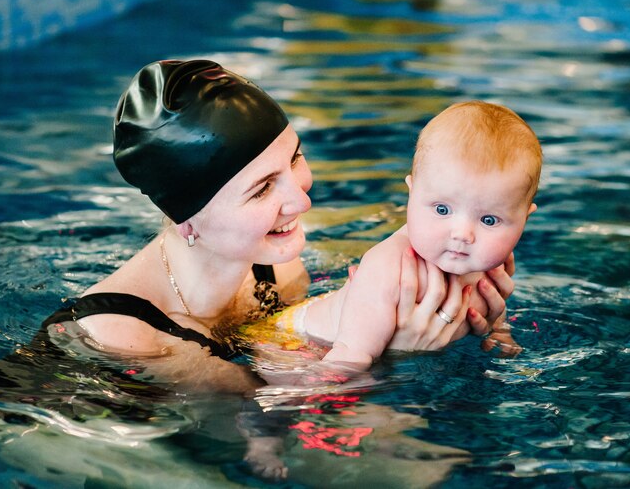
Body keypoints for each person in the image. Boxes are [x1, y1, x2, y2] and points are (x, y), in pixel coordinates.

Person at [63, 60, 514, 383]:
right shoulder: (121, 335)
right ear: (187, 218)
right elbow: (256, 427)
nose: (300, 199)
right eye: (261, 189)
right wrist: (399, 356)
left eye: (295, 158)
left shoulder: (275, 268)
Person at [284, 101, 539, 368]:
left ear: (523, 219)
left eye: (489, 219)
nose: (463, 234)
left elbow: (492, 307)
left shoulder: (488, 260)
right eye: (442, 209)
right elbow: (349, 358)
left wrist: (499, 330)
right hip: (297, 344)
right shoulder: (387, 268)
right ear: (412, 193)